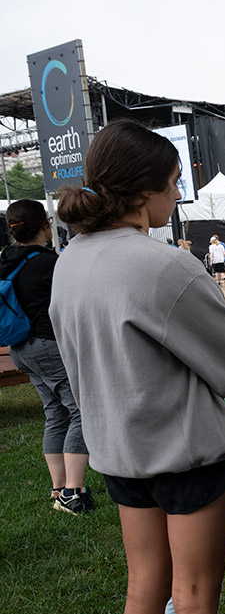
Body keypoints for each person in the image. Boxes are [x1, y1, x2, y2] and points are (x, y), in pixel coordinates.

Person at [51, 119, 225, 614]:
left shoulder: (68, 263)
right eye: (175, 184)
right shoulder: (163, 265)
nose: (180, 197)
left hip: (119, 456)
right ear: (144, 194)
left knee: (144, 591)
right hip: (187, 455)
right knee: (194, 599)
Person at [1, 199, 94, 515]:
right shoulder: (47, 263)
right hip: (47, 344)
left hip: (21, 348)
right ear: (45, 226)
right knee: (81, 410)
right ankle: (73, 492)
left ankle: (59, 490)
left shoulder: (7, 259)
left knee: (55, 413)